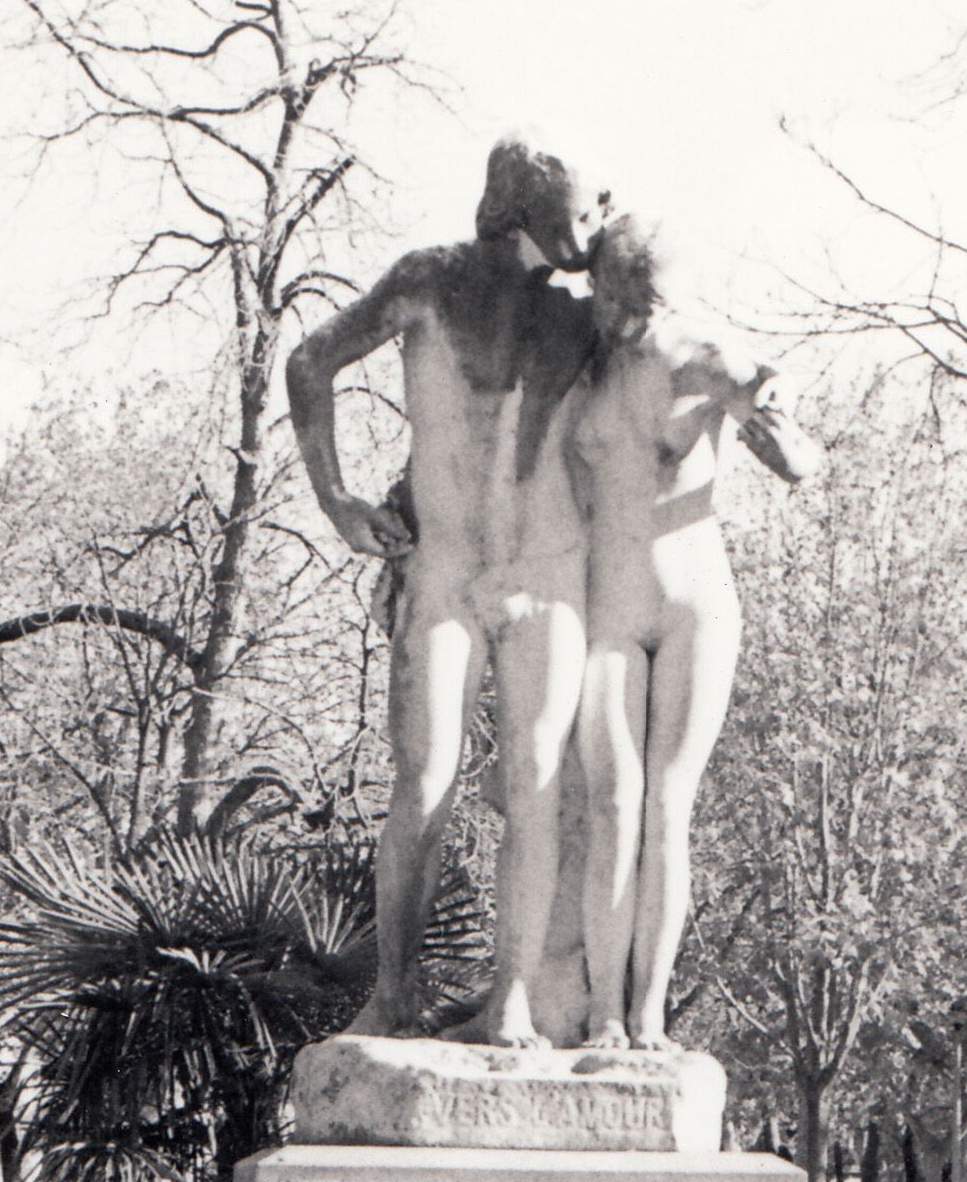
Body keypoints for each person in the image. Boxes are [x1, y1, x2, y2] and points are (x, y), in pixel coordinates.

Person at [284, 140, 604, 1042]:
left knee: (537, 782)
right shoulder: (430, 277)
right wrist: (338, 501)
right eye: (579, 206)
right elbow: (310, 361)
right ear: (523, 202)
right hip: (448, 568)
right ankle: (393, 992)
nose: (593, 221)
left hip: (546, 570)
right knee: (425, 779)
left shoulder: (581, 318)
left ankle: (510, 1001)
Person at [566, 211, 807, 1049]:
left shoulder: (706, 353)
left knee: (668, 805)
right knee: (613, 804)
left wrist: (777, 433)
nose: (637, 320)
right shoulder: (580, 364)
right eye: (625, 301)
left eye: (651, 303)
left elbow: (800, 454)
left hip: (695, 602)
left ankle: (647, 1015)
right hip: (606, 605)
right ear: (602, 287)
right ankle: (602, 1013)